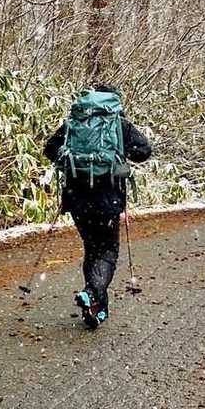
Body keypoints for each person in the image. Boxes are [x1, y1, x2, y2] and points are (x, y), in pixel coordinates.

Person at [43, 83, 152, 329]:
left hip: (76, 200)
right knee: (107, 251)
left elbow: (49, 149)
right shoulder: (119, 124)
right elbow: (144, 151)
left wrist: (77, 164)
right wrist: (120, 156)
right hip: (107, 201)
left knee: (92, 249)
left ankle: (95, 307)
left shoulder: (74, 123)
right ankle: (92, 293)